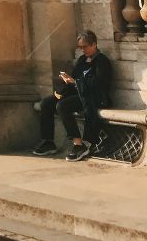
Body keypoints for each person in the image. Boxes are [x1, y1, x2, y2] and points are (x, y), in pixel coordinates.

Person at [34, 31, 113, 161]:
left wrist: (76, 82)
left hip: (92, 96)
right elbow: (75, 76)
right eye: (80, 47)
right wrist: (67, 81)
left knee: (63, 106)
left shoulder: (102, 61)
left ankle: (78, 144)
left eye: (85, 46)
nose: (83, 50)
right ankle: (48, 142)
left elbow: (100, 84)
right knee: (46, 103)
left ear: (94, 44)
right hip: (77, 93)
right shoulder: (82, 59)